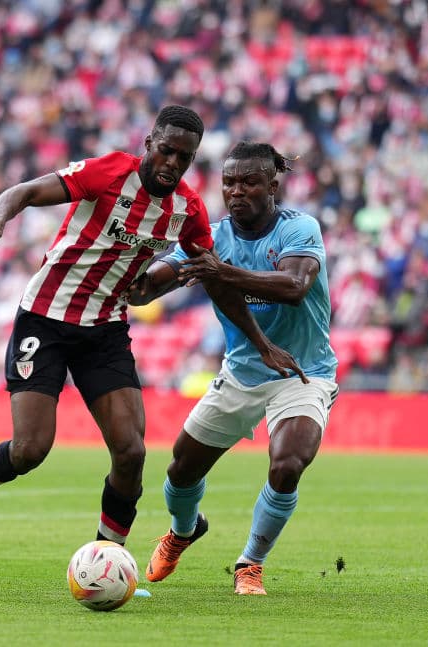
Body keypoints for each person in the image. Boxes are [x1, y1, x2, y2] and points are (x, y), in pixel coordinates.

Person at [0, 106, 304, 548]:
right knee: (30, 450)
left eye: (184, 157)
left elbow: (214, 277)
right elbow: (24, 191)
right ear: (149, 145)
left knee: (131, 451)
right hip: (46, 319)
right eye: (167, 151)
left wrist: (261, 342)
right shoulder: (108, 173)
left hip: (105, 330)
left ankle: (107, 559)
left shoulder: (188, 209)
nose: (173, 164)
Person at [127, 142, 338, 595]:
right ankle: (183, 531)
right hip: (242, 372)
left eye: (249, 181)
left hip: (302, 372)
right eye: (229, 182)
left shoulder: (299, 228)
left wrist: (218, 272)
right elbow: (148, 289)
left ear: (272, 185)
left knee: (287, 464)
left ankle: (250, 563)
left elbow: (295, 286)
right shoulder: (210, 238)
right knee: (181, 471)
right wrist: (130, 270)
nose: (236, 190)